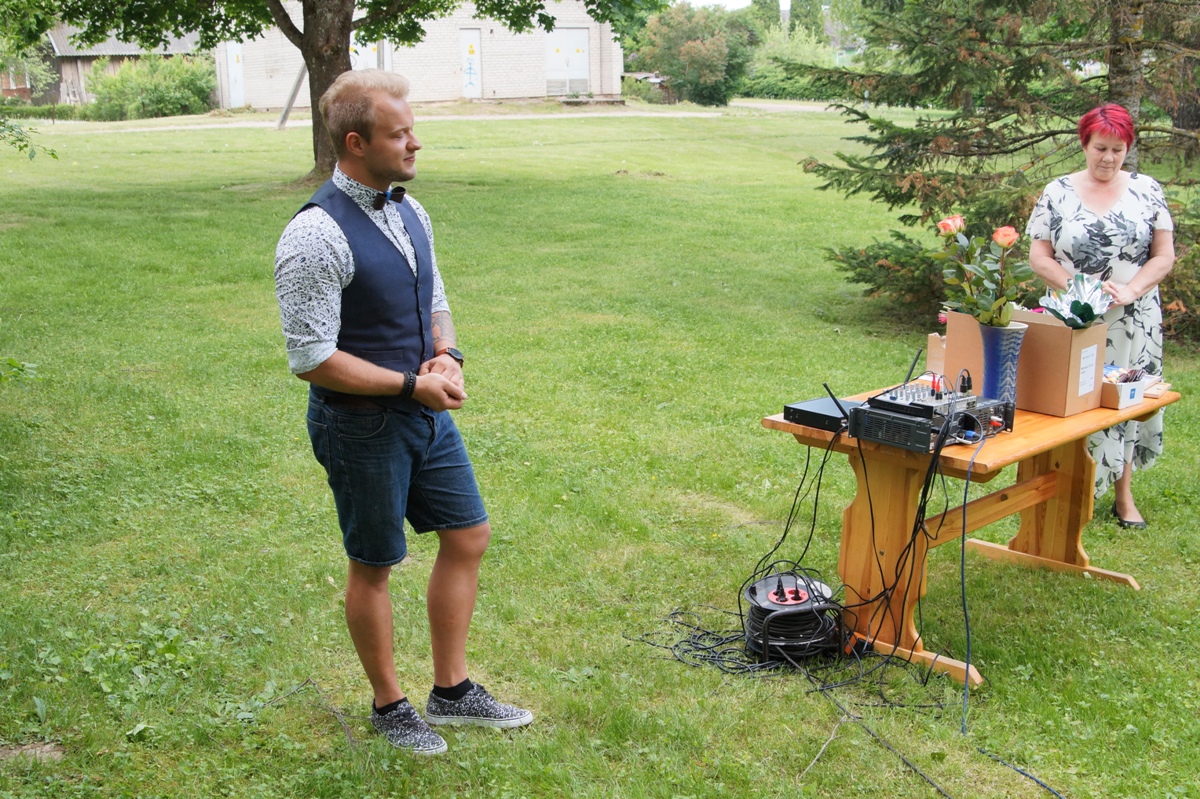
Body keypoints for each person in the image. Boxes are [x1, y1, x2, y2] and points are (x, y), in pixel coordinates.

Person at [274, 69, 532, 755]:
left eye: (413, 130)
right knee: (375, 564)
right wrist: (408, 384)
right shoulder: (315, 235)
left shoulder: (410, 209)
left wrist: (447, 355)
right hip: (359, 424)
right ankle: (390, 706)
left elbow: (433, 297)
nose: (416, 143)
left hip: (422, 410)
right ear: (356, 143)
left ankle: (452, 692)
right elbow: (311, 357)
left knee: (468, 534)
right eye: (400, 134)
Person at [1026, 103, 1176, 528]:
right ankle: (1064, 489)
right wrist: (1081, 289)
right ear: (1084, 145)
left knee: (1125, 402)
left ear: (1127, 148)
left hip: (1134, 317)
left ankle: (1123, 495)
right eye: (1100, 148)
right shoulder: (1057, 192)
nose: (1109, 158)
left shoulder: (1147, 190)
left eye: (1117, 149)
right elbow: (1039, 256)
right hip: (1075, 316)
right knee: (1070, 400)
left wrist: (1130, 290)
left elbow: (1164, 256)